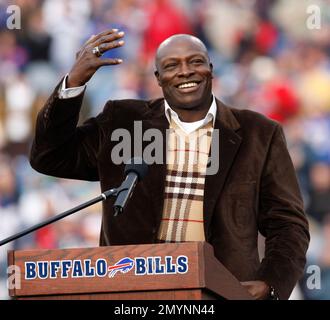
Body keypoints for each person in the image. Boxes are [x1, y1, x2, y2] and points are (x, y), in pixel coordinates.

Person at [30, 30, 310, 300]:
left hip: (221, 291)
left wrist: (270, 283)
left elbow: (288, 224)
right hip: (135, 291)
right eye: (172, 65)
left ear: (211, 69)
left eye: (196, 62)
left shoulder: (259, 133)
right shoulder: (123, 121)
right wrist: (74, 82)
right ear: (159, 78)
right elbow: (50, 156)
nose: (185, 71)